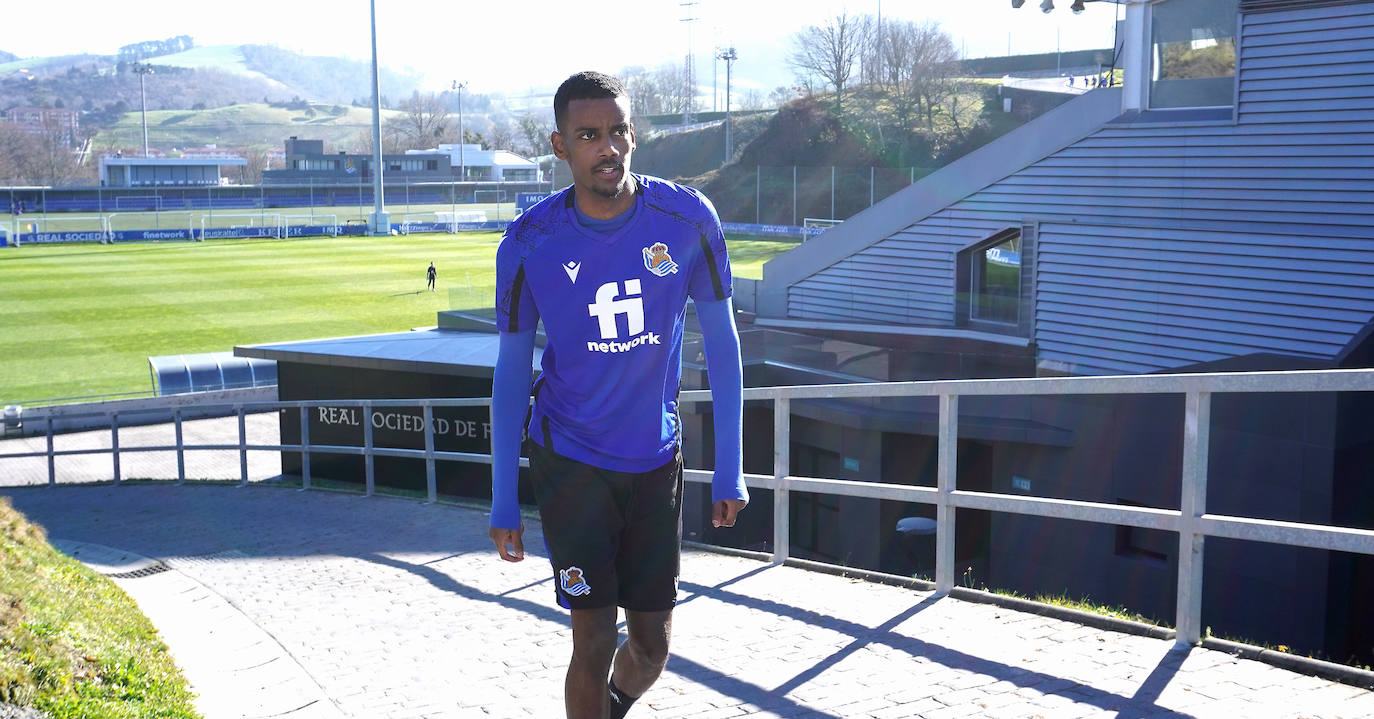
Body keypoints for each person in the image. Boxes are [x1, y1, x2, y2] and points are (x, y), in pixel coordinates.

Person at [489, 70, 747, 719]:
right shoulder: (528, 243)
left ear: (634, 134)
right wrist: (502, 497)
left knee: (653, 646)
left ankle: (606, 708)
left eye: (618, 131)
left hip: (655, 459)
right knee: (595, 632)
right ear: (560, 146)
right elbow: (512, 372)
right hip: (570, 460)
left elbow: (722, 345)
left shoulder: (687, 220)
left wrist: (732, 470)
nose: (608, 147)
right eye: (589, 135)